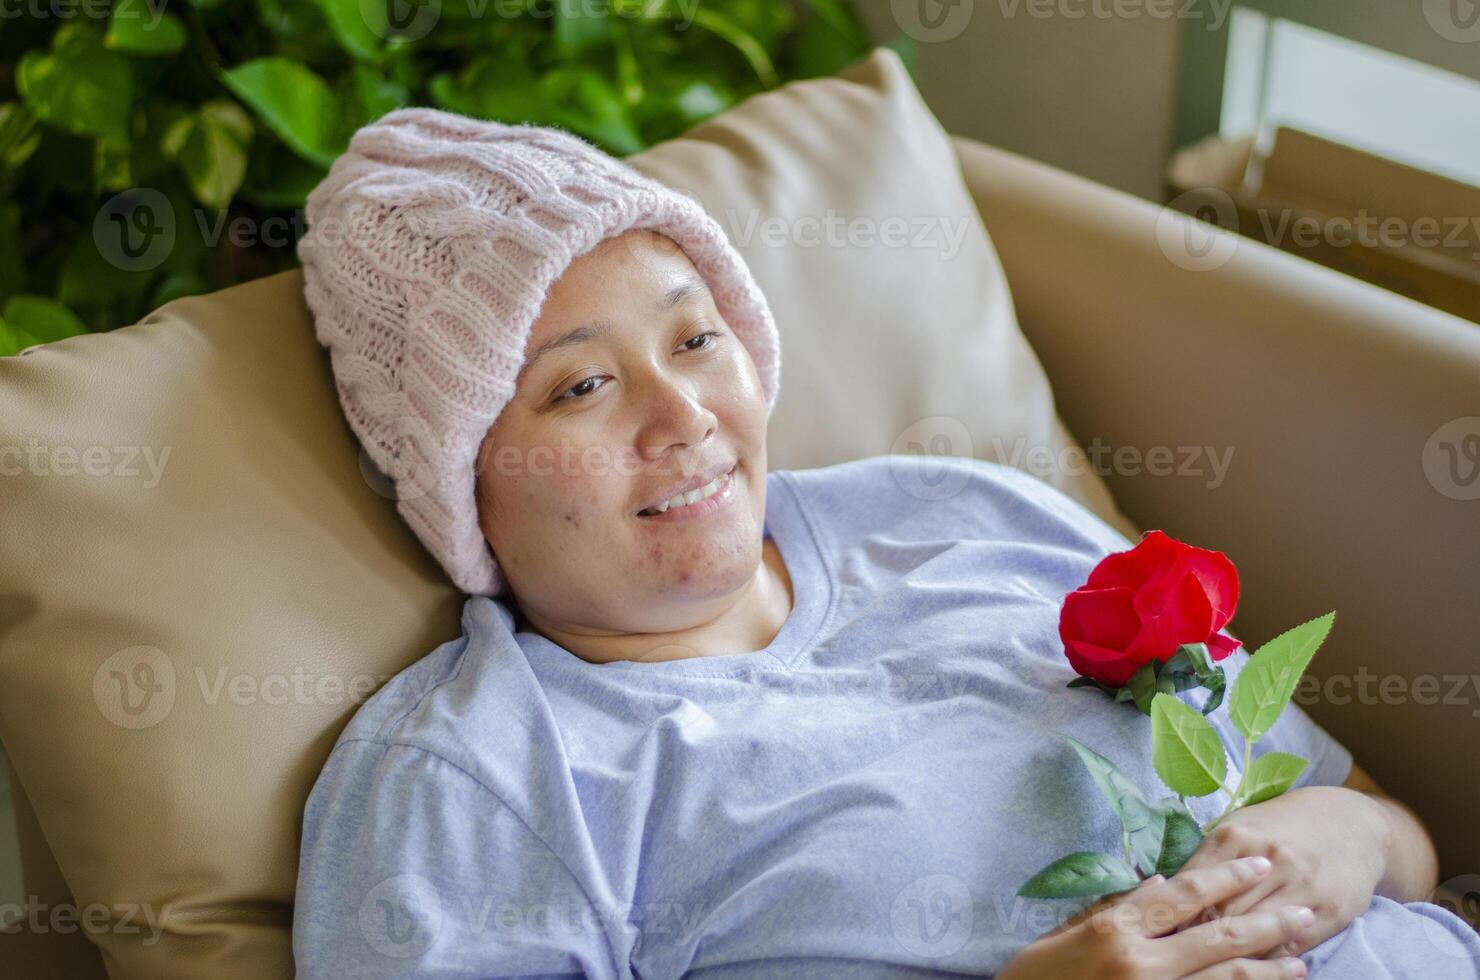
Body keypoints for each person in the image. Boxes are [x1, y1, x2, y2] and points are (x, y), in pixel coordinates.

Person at [291, 108, 1480, 979]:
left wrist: (1349, 836)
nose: (685, 416)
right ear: (460, 480)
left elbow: (1396, 829)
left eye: (696, 340)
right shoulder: (479, 777)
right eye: (584, 385)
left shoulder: (961, 512)